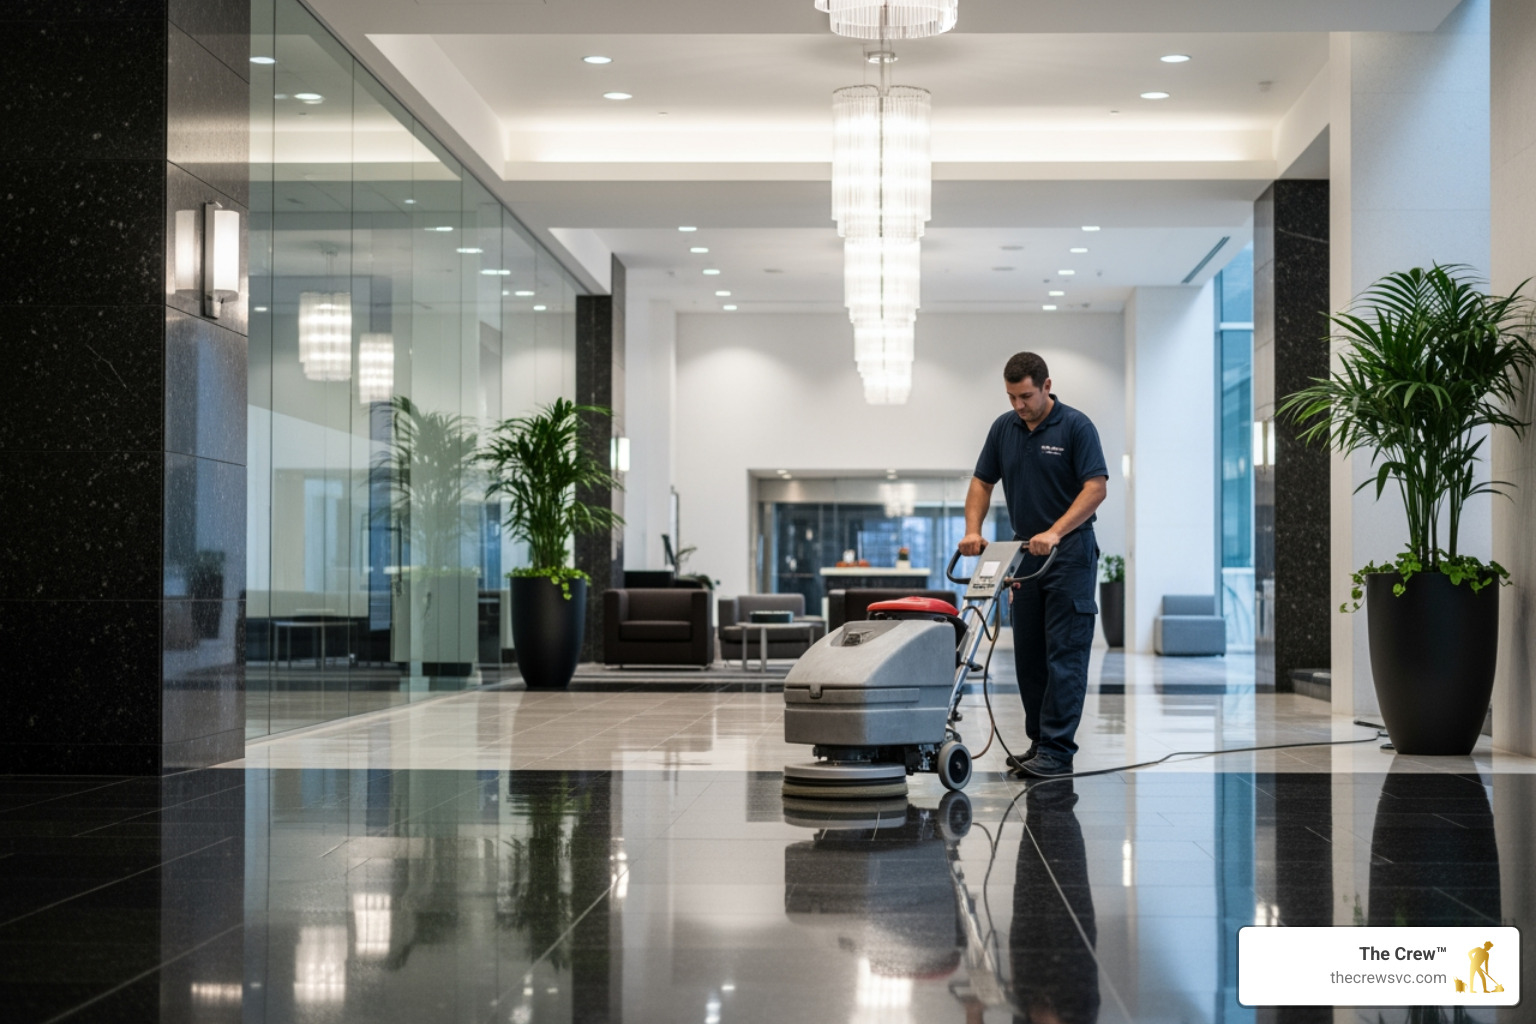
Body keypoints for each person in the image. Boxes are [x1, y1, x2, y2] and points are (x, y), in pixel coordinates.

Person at [960, 352, 1107, 777]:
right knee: (1029, 655)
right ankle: (1040, 742)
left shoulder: (1076, 426)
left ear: (1046, 385)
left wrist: (1056, 531)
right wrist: (973, 530)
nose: (1019, 405)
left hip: (1070, 554)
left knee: (1065, 654)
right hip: (1025, 556)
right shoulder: (1003, 429)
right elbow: (981, 482)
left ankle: (1058, 751)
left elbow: (1095, 488)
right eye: (1011, 397)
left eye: (1025, 396)